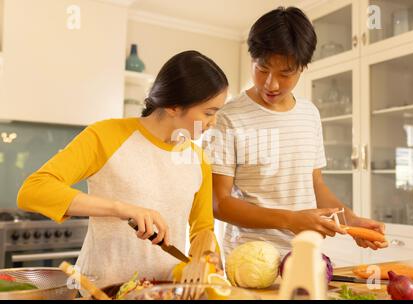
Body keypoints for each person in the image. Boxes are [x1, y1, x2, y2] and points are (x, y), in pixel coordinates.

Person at [17, 50, 228, 288]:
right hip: (100, 291)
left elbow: (203, 230)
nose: (213, 122)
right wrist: (120, 208)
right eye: (208, 113)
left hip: (161, 292)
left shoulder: (198, 159)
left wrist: (208, 263)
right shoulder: (106, 136)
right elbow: (33, 190)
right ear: (173, 105)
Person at [208, 7, 389, 258]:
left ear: (303, 67)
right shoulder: (227, 118)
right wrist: (290, 220)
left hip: (304, 255)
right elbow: (219, 203)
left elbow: (316, 185)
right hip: (249, 260)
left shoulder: (310, 114)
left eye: (285, 73)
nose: (271, 83)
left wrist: (352, 220)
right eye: (262, 69)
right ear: (252, 59)